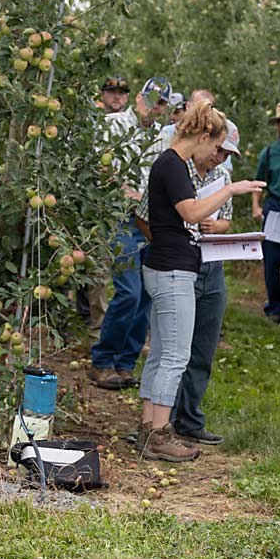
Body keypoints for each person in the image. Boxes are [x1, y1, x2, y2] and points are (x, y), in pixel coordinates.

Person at [136, 99, 264, 461]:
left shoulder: (168, 162)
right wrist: (230, 190)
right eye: (216, 147)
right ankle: (160, 433)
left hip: (166, 265)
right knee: (176, 355)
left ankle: (149, 427)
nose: (214, 155)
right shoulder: (174, 164)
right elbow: (190, 211)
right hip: (173, 269)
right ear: (205, 136)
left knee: (161, 354)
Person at [88, 77, 171, 390]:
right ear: (139, 98)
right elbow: (99, 168)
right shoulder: (113, 125)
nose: (155, 107)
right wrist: (124, 190)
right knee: (129, 291)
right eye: (151, 100)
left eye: (162, 103)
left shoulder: (160, 138)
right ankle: (102, 360)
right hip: (120, 218)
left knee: (147, 294)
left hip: (149, 220)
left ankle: (125, 363)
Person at [78, 75, 133, 334]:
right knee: (96, 272)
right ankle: (96, 329)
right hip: (98, 207)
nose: (117, 97)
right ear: (102, 94)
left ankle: (118, 328)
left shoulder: (133, 128)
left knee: (127, 274)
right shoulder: (94, 125)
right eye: (111, 92)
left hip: (126, 211)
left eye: (122, 93)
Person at [251, 104, 280, 323]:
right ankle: (275, 307)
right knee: (271, 261)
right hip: (274, 206)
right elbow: (259, 182)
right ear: (278, 126)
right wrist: (256, 206)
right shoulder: (269, 152)